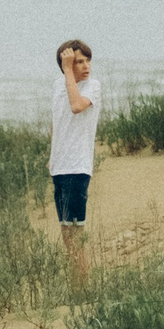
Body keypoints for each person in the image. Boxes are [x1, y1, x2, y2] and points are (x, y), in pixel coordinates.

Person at [49, 39, 99, 284]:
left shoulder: (93, 87)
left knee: (77, 233)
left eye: (87, 60)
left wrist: (69, 71)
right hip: (59, 167)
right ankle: (75, 286)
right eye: (79, 61)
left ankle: (84, 291)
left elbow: (77, 106)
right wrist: (51, 157)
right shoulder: (59, 84)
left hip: (78, 167)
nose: (86, 66)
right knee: (65, 232)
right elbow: (56, 122)